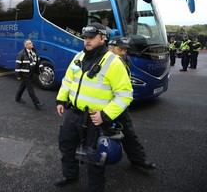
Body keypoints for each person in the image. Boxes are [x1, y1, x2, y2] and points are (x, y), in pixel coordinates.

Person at [54, 23, 133, 191]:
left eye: (91, 38)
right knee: (66, 146)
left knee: (95, 157)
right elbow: (68, 81)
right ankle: (69, 175)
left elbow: (125, 95)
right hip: (73, 113)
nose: (87, 41)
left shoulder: (114, 62)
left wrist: (105, 115)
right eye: (85, 38)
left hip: (95, 119)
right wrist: (61, 100)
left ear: (103, 38)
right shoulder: (79, 56)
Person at [108, 36, 156, 170]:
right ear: (110, 48)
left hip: (117, 104)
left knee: (128, 133)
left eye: (125, 50)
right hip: (101, 104)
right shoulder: (100, 61)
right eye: (121, 49)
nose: (124, 52)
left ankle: (138, 160)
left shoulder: (124, 60)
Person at [14, 39, 44, 109]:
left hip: (31, 73)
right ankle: (37, 104)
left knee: (22, 86)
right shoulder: (21, 54)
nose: (31, 44)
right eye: (30, 43)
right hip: (25, 74)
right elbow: (17, 65)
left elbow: (38, 62)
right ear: (26, 45)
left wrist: (41, 69)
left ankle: (17, 98)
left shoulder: (34, 52)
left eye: (31, 43)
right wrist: (18, 75)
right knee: (30, 89)